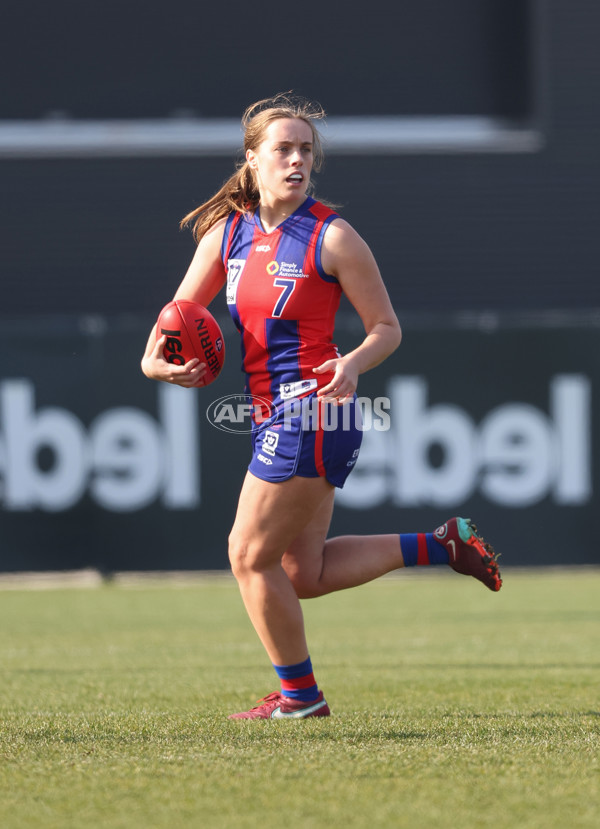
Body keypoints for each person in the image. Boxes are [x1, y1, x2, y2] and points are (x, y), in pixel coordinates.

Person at [141, 93, 502, 720]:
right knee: (301, 573)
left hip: (314, 411)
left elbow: (386, 327)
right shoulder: (225, 234)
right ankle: (442, 544)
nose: (297, 160)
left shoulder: (333, 236)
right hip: (270, 417)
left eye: (306, 150)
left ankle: (301, 699)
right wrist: (162, 367)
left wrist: (353, 362)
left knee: (247, 556)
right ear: (252, 160)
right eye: (283, 148)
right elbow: (167, 332)